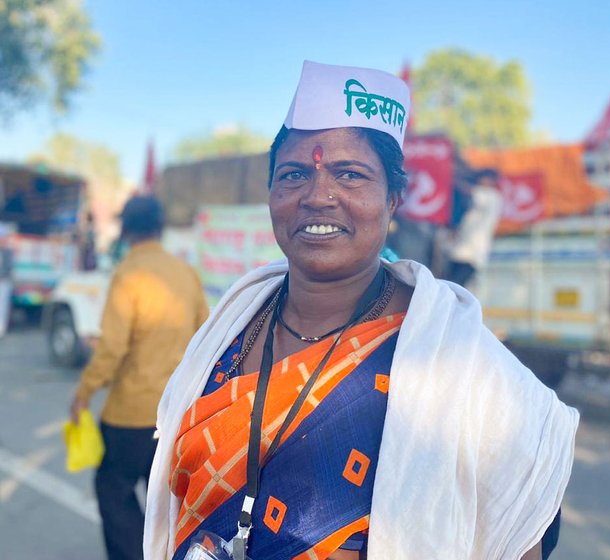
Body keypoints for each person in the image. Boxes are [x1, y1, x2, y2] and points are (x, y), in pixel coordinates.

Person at [144, 61, 578, 560]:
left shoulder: (453, 354)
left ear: (393, 200)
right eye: (293, 175)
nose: (318, 196)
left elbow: (524, 518)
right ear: (271, 195)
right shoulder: (233, 323)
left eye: (350, 174)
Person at [70, 195, 210, 560]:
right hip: (177, 415)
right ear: (160, 228)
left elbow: (112, 348)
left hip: (131, 415)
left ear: (126, 230)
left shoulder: (128, 274)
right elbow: (206, 339)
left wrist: (84, 392)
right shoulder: (185, 273)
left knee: (112, 488)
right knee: (163, 503)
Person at [444, 168, 504, 287]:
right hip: (458, 250)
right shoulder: (472, 204)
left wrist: (449, 177)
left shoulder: (493, 197)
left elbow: (468, 190)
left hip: (472, 254)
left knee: (454, 288)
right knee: (448, 286)